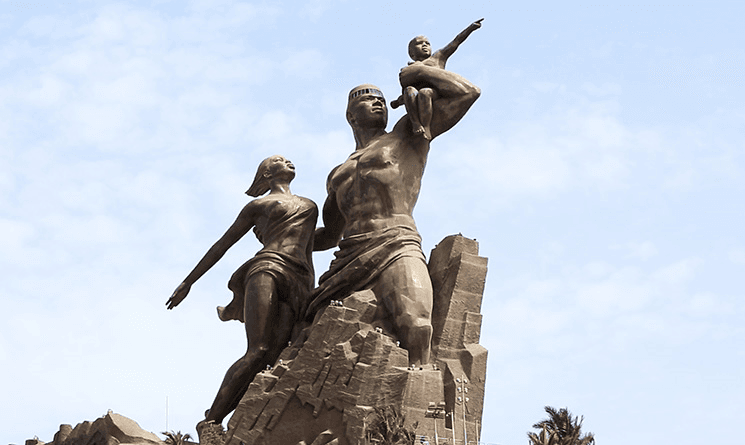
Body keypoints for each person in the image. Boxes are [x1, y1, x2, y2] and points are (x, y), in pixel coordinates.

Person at [310, 58, 480, 367]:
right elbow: (328, 235)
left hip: (396, 243)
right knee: (311, 336)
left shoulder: (407, 135)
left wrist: (419, 72)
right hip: (349, 257)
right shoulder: (337, 175)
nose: (378, 103)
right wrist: (283, 240)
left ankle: (420, 395)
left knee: (416, 325)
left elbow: (467, 93)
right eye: (367, 100)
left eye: (380, 100)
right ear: (350, 115)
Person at [166, 155, 318, 428]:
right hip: (267, 268)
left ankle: (249, 422)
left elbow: (311, 247)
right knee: (258, 350)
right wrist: (189, 282)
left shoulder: (310, 205)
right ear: (267, 175)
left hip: (300, 278)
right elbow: (222, 244)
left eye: (288, 159)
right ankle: (211, 421)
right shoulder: (259, 205)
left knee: (275, 357)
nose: (288, 161)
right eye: (279, 160)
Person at [390, 18, 483, 140]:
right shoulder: (408, 70)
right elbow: (406, 95)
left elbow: (455, 42)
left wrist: (470, 29)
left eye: (427, 43)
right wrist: (398, 102)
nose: (424, 45)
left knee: (425, 92)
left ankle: (426, 126)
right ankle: (415, 123)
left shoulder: (437, 57)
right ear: (412, 53)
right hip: (415, 98)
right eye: (420, 43)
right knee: (409, 90)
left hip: (434, 93)